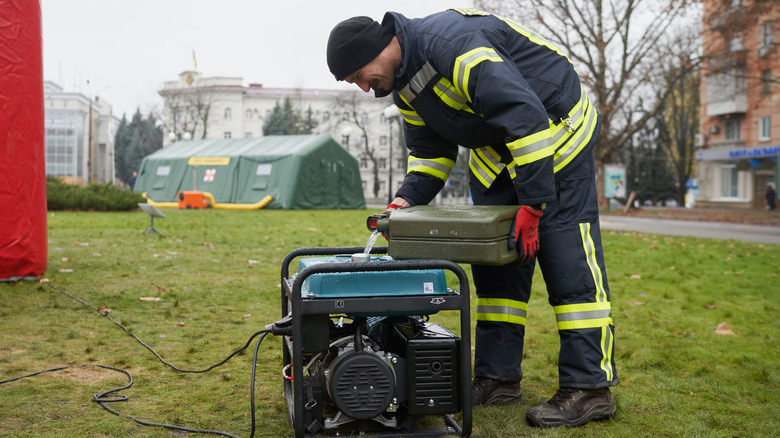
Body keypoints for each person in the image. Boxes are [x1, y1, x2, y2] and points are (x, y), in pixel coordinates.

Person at [327, 8, 618, 428]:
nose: (361, 86)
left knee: (565, 259)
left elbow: (525, 115)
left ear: (376, 49)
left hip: (554, 137)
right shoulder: (403, 86)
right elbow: (430, 154)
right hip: (501, 155)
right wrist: (404, 201)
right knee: (497, 266)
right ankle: (498, 378)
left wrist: (534, 207)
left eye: (357, 74)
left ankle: (590, 387)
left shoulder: (451, 44)